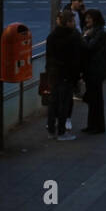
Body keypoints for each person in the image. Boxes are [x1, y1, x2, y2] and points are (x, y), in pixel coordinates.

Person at [45, 8, 82, 141]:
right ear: (68, 22)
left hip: (54, 74)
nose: (74, 23)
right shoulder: (73, 37)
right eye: (72, 21)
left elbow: (49, 56)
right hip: (67, 74)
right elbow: (76, 58)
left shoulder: (52, 36)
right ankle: (61, 131)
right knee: (64, 103)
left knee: (53, 101)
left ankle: (51, 130)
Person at [80, 9, 106, 133]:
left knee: (95, 99)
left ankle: (97, 126)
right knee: (94, 98)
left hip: (95, 70)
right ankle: (93, 125)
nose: (87, 20)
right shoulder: (97, 31)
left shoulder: (98, 33)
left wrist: (85, 36)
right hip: (93, 70)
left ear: (95, 19)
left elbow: (89, 47)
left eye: (89, 18)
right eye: (86, 18)